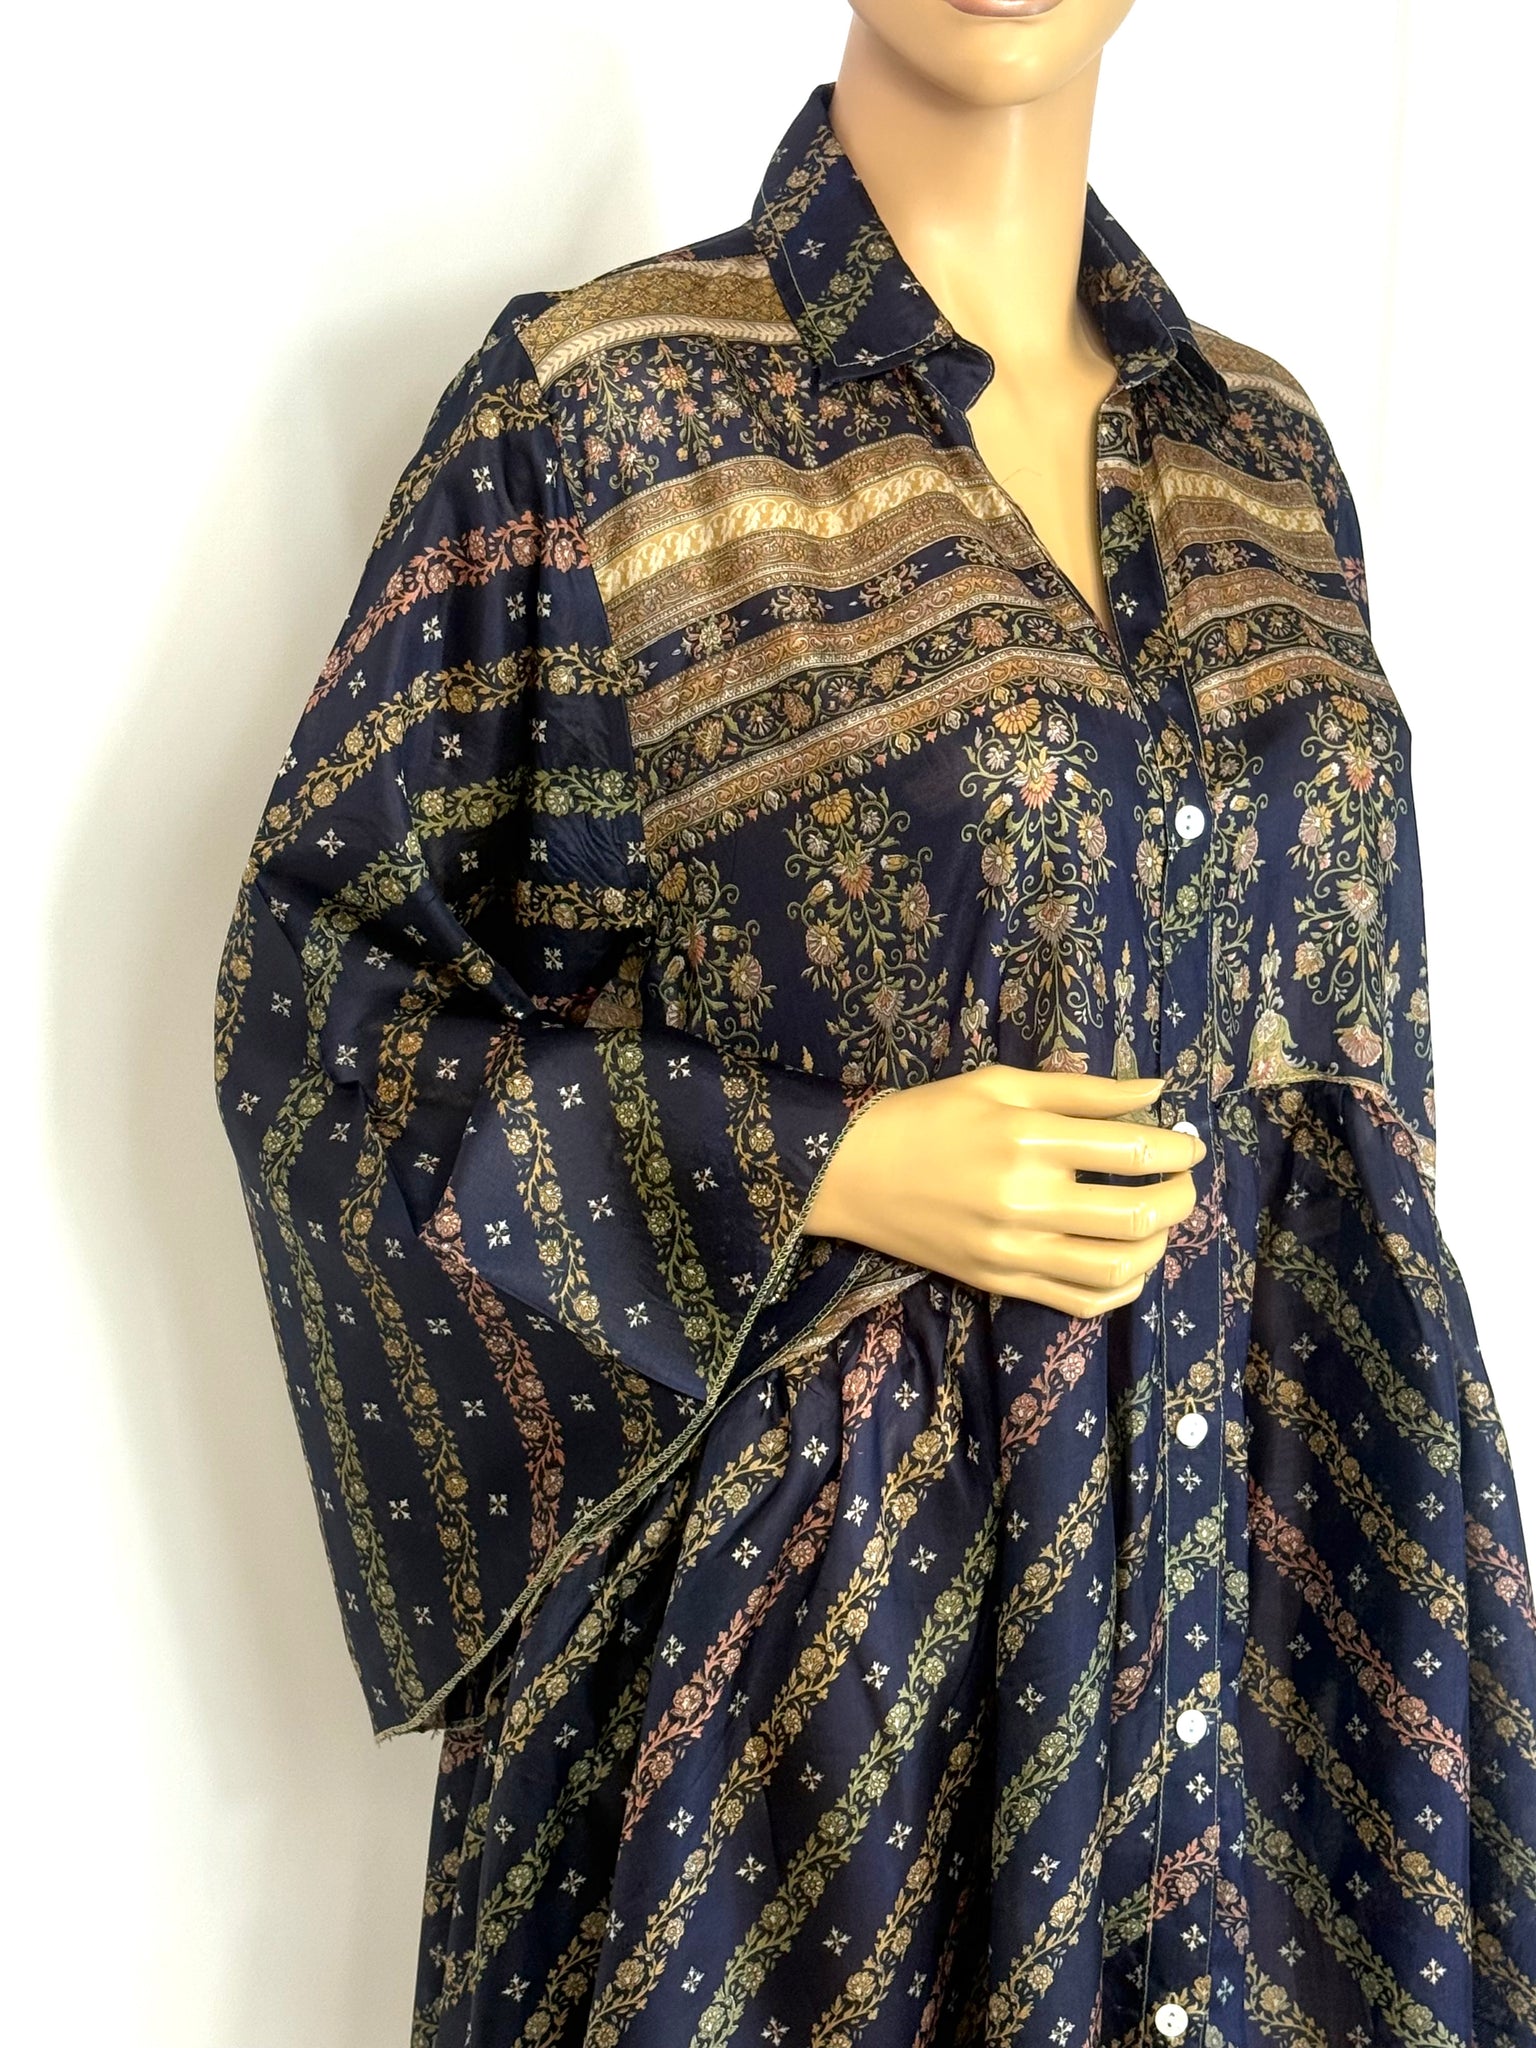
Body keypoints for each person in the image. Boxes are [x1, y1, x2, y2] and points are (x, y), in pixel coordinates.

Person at [214, 3, 1536, 2040]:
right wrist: (825, 1166)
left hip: (1290, 1671)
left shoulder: (1268, 452)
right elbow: (325, 1024)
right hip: (834, 1744)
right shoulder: (601, 416)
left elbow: (1379, 1079)